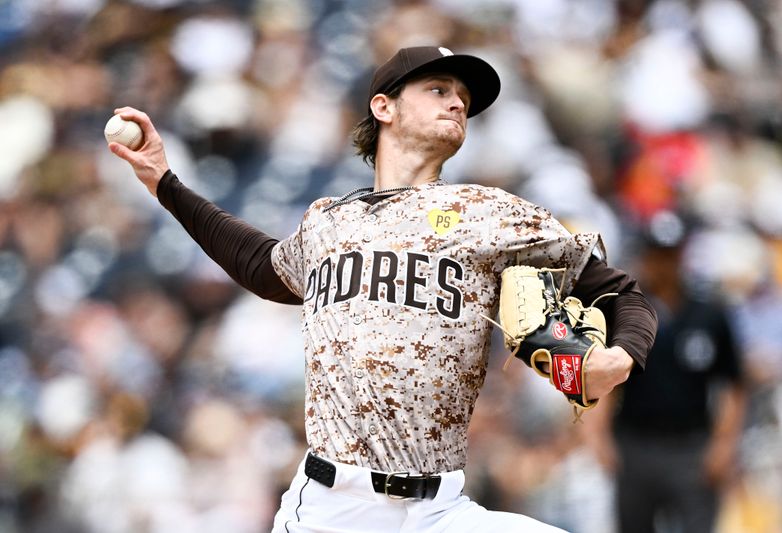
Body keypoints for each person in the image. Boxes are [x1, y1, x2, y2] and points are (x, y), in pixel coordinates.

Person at [108, 46, 657, 532]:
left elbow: (622, 293)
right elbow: (260, 264)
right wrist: (164, 183)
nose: (457, 102)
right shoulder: (328, 221)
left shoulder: (493, 214)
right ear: (383, 107)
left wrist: (622, 357)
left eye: (463, 96)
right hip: (331, 508)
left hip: (440, 509)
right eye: (439, 89)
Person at [583, 213, 748, 533]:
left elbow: (732, 385)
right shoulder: (625, 311)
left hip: (692, 446)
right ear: (645, 256)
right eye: (657, 255)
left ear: (682, 255)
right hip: (635, 442)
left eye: (670, 255)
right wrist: (598, 438)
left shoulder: (710, 314)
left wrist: (724, 444)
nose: (663, 264)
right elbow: (606, 379)